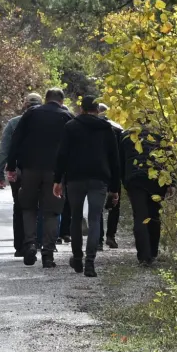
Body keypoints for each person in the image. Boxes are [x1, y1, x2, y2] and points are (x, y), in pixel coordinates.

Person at [53, 95, 121, 278]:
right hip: (99, 179)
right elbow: (115, 160)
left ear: (81, 109)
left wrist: (57, 180)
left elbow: (62, 155)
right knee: (94, 220)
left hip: (75, 178)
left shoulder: (71, 127)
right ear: (97, 110)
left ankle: (77, 258)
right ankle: (90, 263)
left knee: (75, 218)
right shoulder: (107, 129)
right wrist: (115, 188)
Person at [6, 88, 73, 268]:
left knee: (28, 207)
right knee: (51, 212)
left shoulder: (31, 114)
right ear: (61, 100)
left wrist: (11, 166)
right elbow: (72, 147)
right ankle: (48, 254)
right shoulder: (67, 117)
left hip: (29, 169)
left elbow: (16, 140)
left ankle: (29, 244)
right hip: (55, 172)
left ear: (45, 99)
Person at [0, 93, 43, 256]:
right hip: (42, 170)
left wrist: (0, 173)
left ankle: (20, 246)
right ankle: (37, 242)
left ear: (24, 106)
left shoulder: (14, 123)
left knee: (20, 206)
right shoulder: (46, 121)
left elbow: (5, 150)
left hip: (18, 171)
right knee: (40, 206)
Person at [122, 123, 168, 265]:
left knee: (140, 216)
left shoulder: (126, 136)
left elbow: (121, 160)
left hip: (135, 179)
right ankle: (152, 252)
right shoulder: (160, 136)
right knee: (154, 215)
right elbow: (168, 159)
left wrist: (124, 180)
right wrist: (171, 183)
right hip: (155, 179)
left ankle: (144, 256)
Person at [98, 103, 125, 250]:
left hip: (99, 170)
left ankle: (99, 238)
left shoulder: (94, 128)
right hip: (115, 170)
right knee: (115, 205)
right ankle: (111, 236)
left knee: (98, 206)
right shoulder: (118, 128)